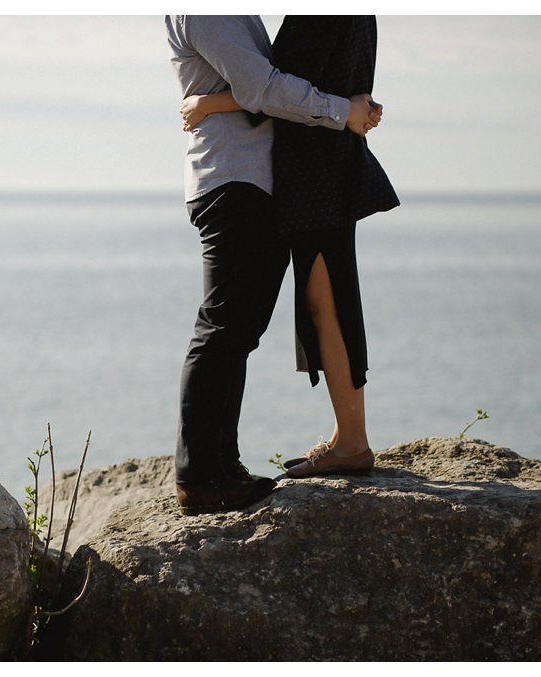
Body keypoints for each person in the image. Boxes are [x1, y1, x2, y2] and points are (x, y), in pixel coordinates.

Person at [165, 15, 381, 515]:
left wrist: (212, 101)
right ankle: (198, 476)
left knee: (238, 332)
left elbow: (271, 83)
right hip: (232, 180)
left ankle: (224, 466)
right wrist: (340, 110)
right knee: (222, 328)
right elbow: (263, 86)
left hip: (255, 184)